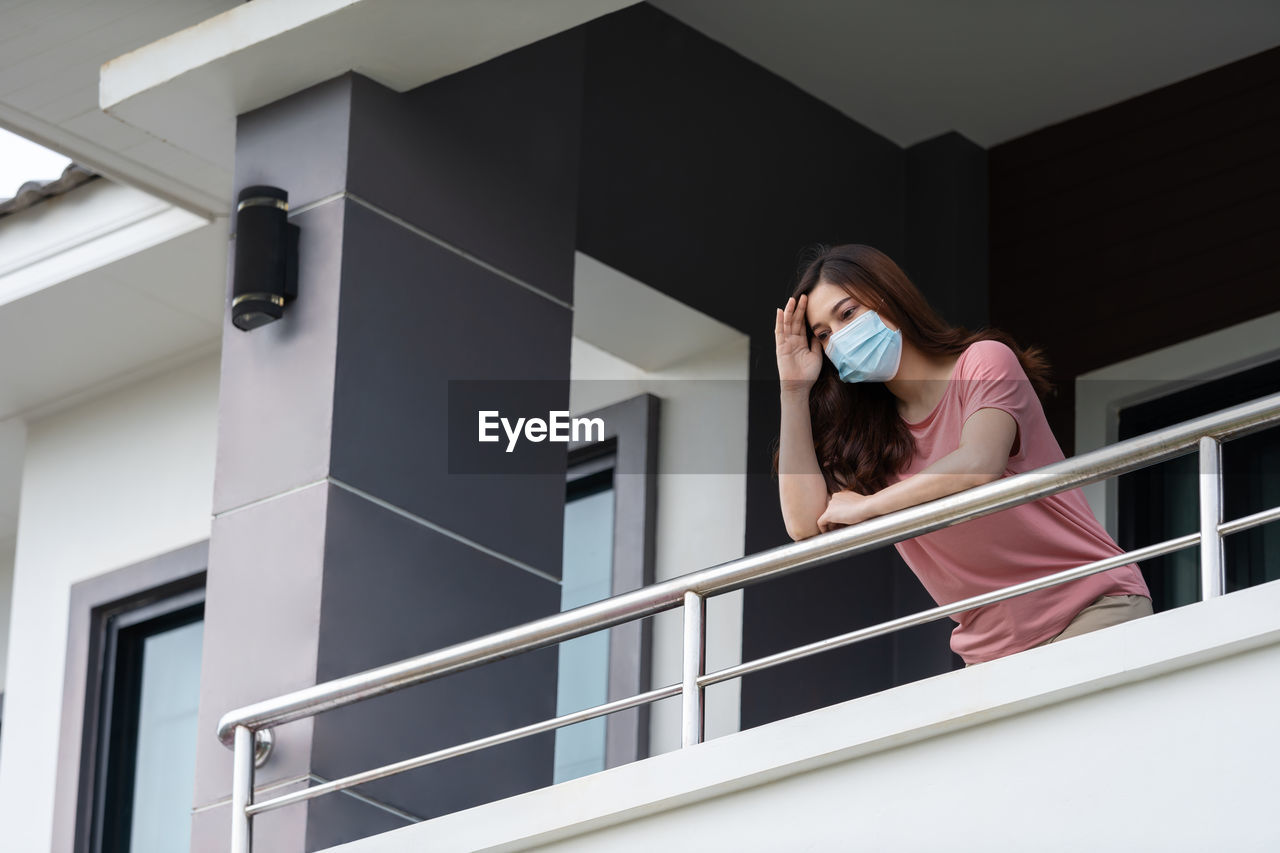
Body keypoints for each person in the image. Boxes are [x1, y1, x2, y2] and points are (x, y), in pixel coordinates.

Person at [772, 243, 1152, 667]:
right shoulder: (868, 440)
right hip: (989, 653)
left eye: (847, 314)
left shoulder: (983, 362)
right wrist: (793, 390)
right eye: (823, 334)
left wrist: (870, 507)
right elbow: (804, 525)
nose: (839, 339)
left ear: (889, 298)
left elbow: (978, 465)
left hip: (1090, 609)